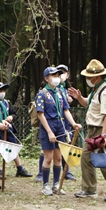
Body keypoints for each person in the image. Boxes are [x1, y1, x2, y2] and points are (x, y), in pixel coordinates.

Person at [68, 59, 106, 202]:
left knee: (103, 161)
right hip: (93, 130)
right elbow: (88, 103)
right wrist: (79, 97)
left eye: (89, 76)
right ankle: (89, 189)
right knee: (86, 158)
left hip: (102, 130)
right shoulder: (97, 89)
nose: (87, 79)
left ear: (97, 77)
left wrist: (104, 136)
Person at [35, 67, 82, 196]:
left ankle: (56, 184)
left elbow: (66, 110)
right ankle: (45, 185)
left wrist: (73, 124)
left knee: (58, 157)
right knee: (48, 158)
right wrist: (49, 132)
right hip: (48, 128)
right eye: (53, 75)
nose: (56, 77)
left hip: (60, 128)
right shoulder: (42, 93)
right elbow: (40, 114)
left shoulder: (60, 93)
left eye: (57, 74)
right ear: (46, 78)